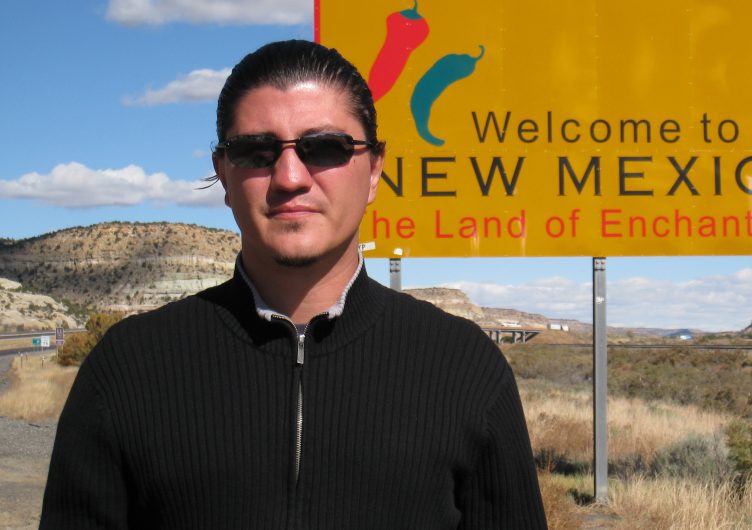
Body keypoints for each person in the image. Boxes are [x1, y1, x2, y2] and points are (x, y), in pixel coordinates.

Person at [40, 40, 547, 529]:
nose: (289, 177)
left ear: (374, 169)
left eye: (324, 147)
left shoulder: (465, 369)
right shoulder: (127, 369)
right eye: (256, 151)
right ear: (223, 173)